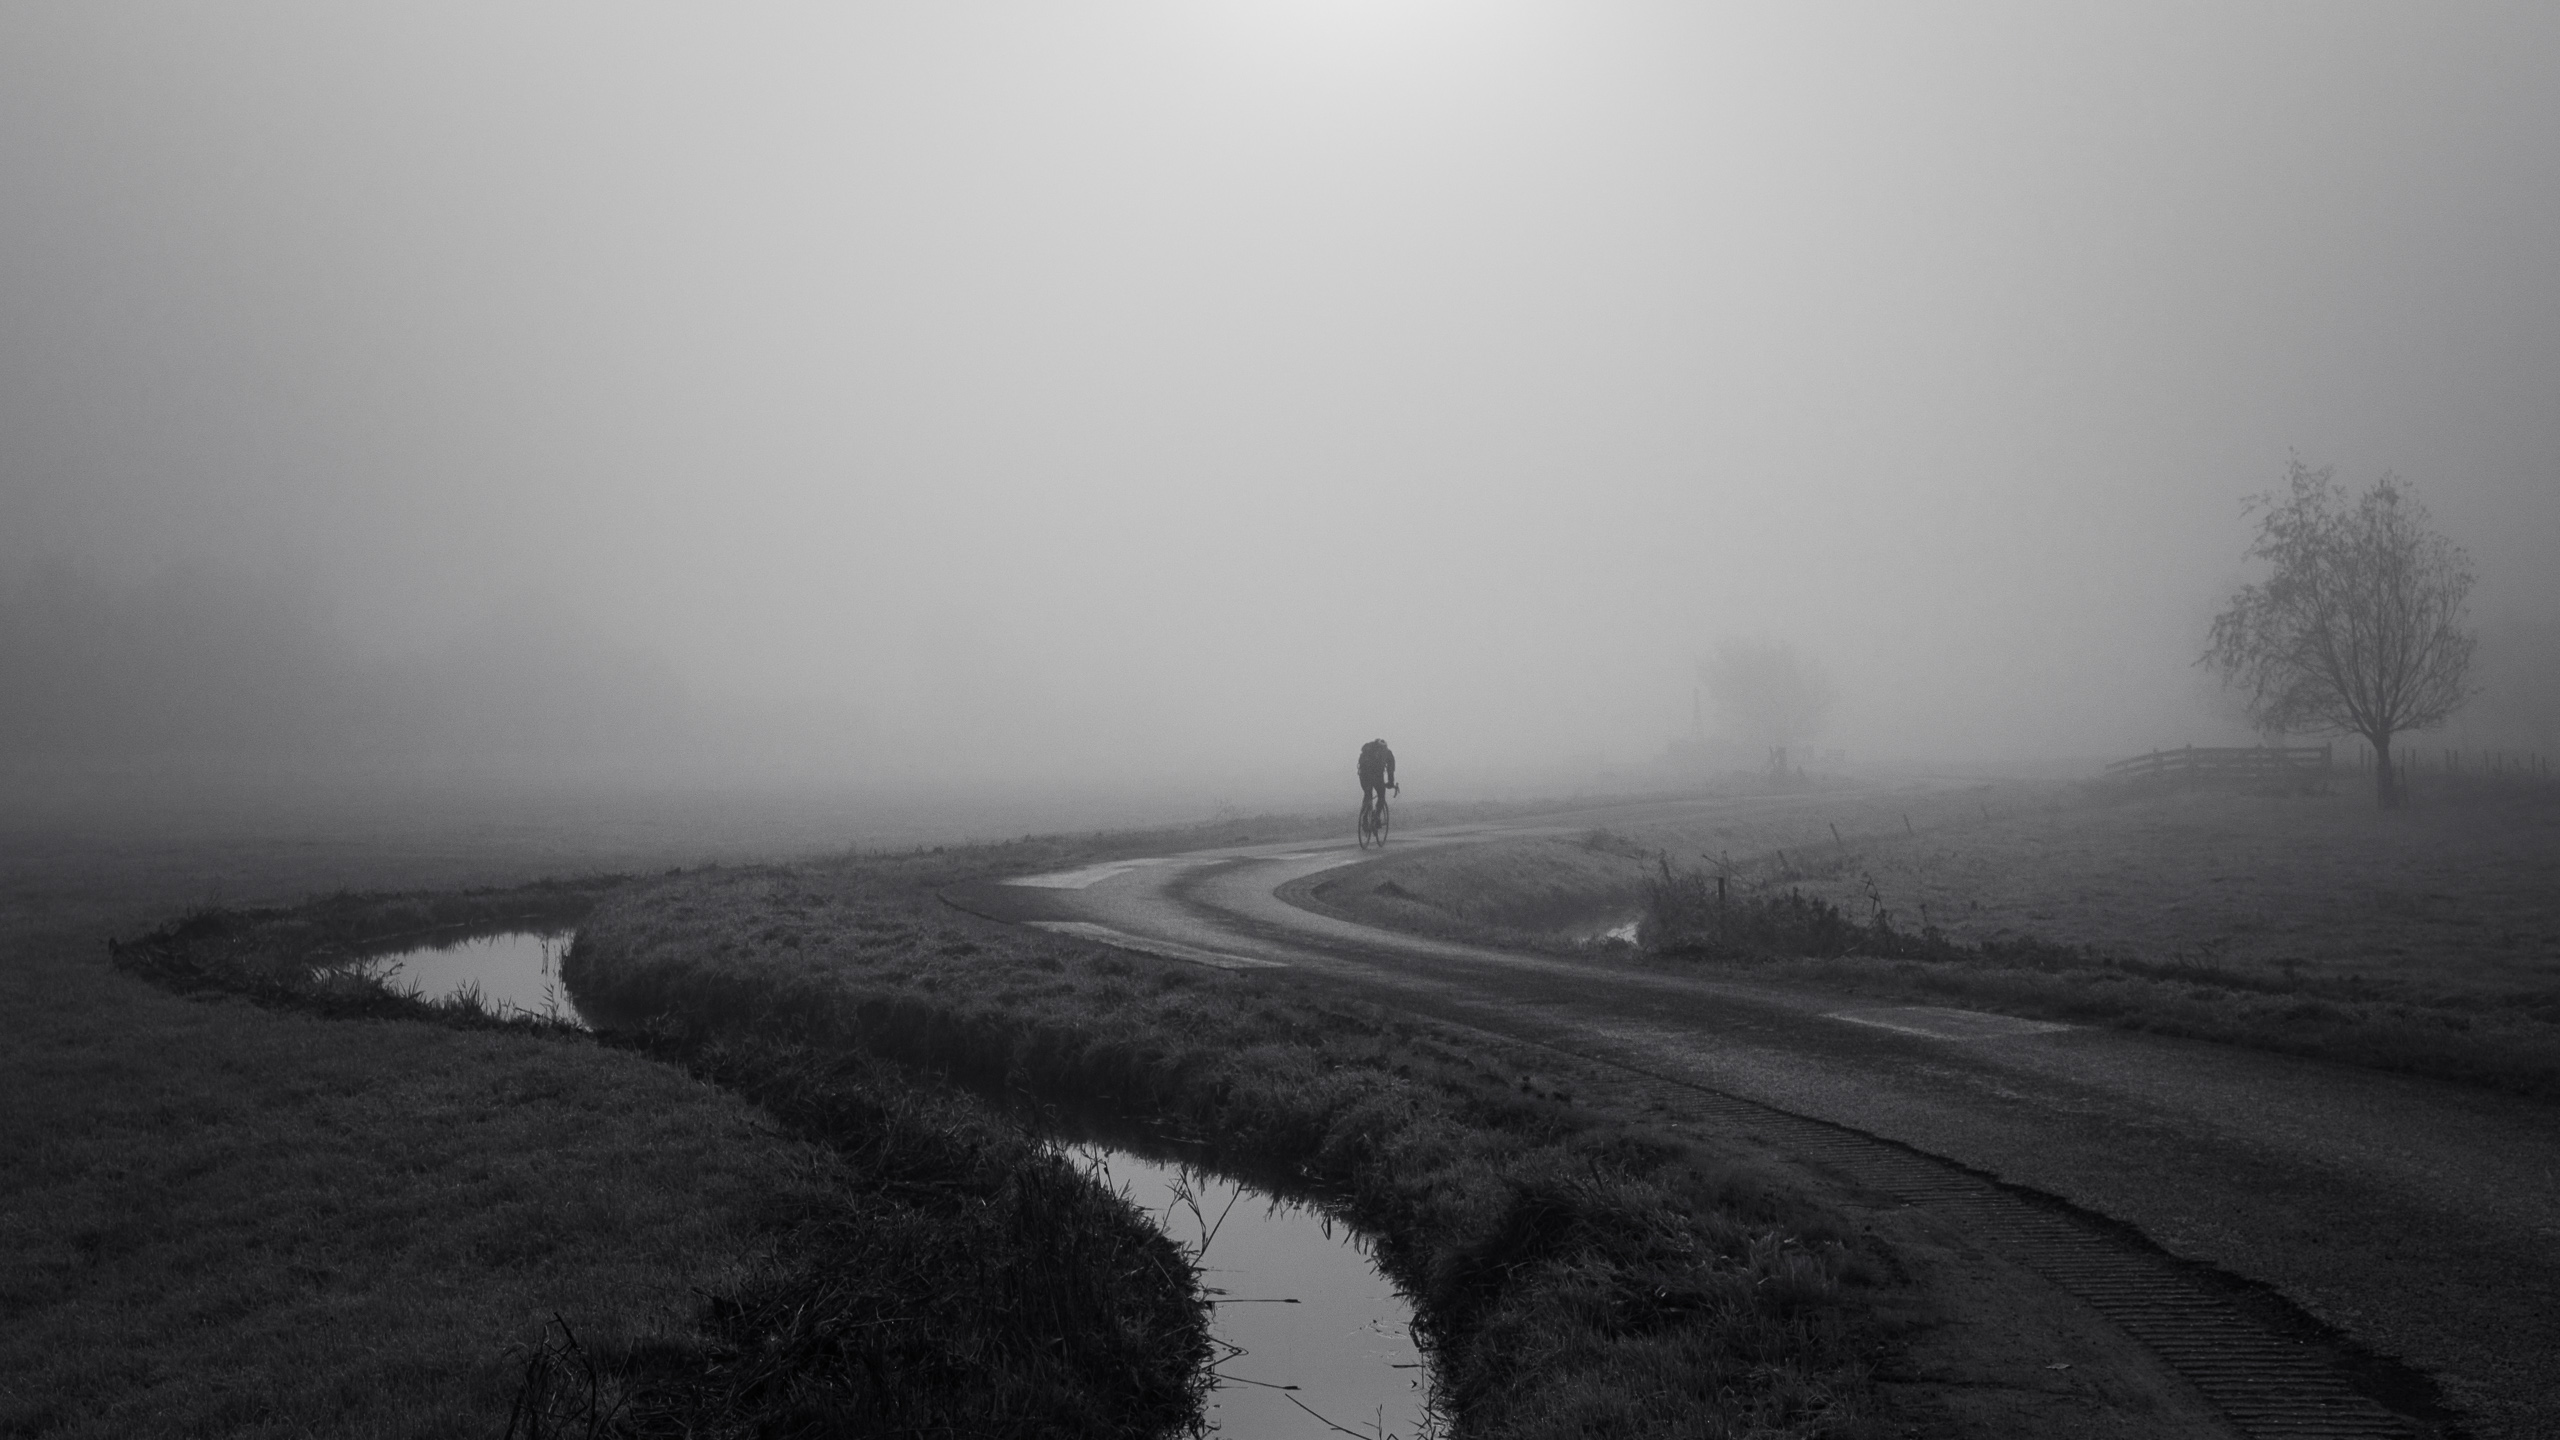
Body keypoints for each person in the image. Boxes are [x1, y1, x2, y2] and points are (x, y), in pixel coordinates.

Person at [1358, 738, 1398, 831]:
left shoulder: (1367, 749)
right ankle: (1376, 817)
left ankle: (1364, 817)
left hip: (1364, 776)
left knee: (1367, 794)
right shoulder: (1387, 753)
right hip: (1377, 777)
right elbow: (1390, 770)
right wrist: (1390, 783)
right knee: (1381, 796)